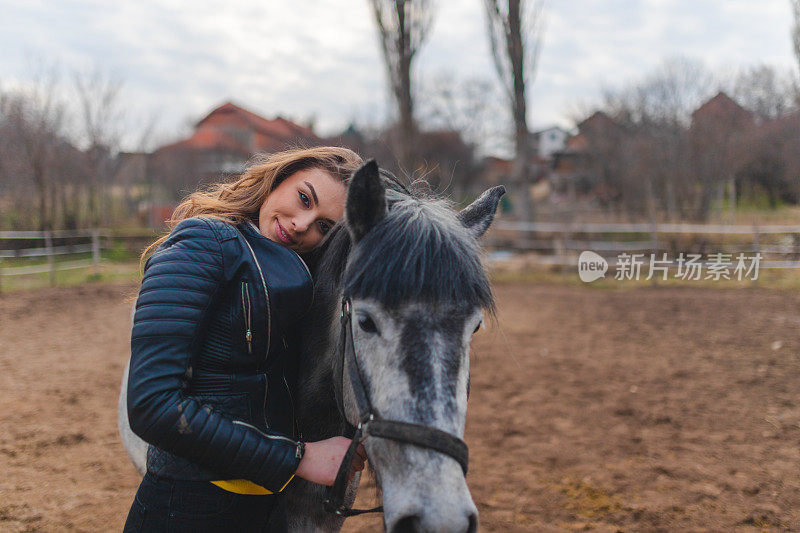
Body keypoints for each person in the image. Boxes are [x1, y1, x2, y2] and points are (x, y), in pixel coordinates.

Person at [124, 147, 366, 532]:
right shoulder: (205, 241)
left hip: (267, 512)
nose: (303, 224)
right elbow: (152, 406)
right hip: (187, 509)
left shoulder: (300, 278)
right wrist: (300, 459)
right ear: (280, 176)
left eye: (324, 226)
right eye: (304, 198)